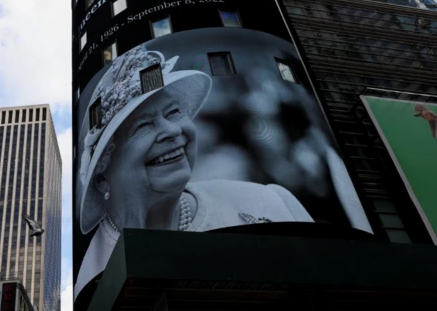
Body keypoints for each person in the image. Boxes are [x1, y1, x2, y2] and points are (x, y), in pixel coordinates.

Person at [74, 46, 313, 299]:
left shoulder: (272, 202)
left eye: (174, 112)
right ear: (102, 179)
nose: (173, 130)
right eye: (142, 125)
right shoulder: (94, 285)